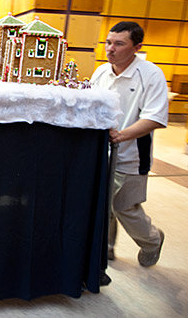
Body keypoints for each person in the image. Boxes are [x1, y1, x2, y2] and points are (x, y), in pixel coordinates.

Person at [91, 21, 167, 267]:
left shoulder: (151, 74)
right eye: (108, 42)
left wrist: (121, 136)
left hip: (132, 156)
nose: (110, 49)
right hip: (102, 152)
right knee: (104, 203)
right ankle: (107, 248)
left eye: (119, 44)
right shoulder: (101, 72)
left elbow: (155, 118)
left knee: (125, 207)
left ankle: (152, 240)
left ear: (137, 47)